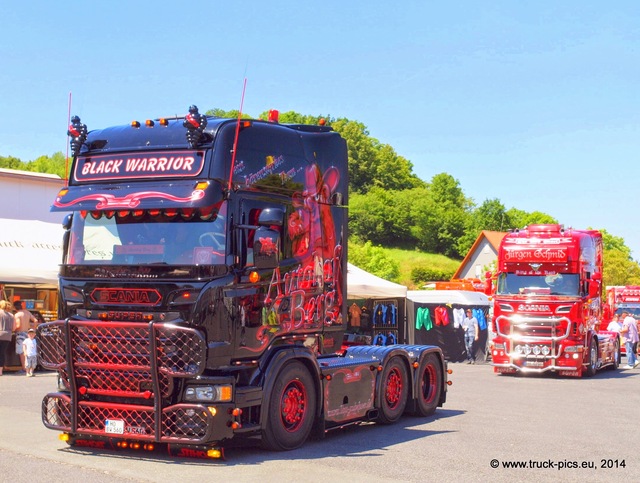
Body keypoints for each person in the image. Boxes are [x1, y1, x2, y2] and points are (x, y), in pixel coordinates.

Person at [13, 301, 37, 373]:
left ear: (15, 307)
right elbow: (35, 320)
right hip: (27, 333)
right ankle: (30, 367)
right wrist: (33, 330)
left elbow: (18, 325)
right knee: (29, 351)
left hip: (20, 334)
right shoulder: (27, 313)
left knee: (22, 352)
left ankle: (24, 368)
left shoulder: (17, 315)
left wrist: (12, 329)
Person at [0, 300, 15, 376]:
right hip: (7, 335)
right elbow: (14, 328)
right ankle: (0, 371)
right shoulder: (11, 315)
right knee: (2, 353)